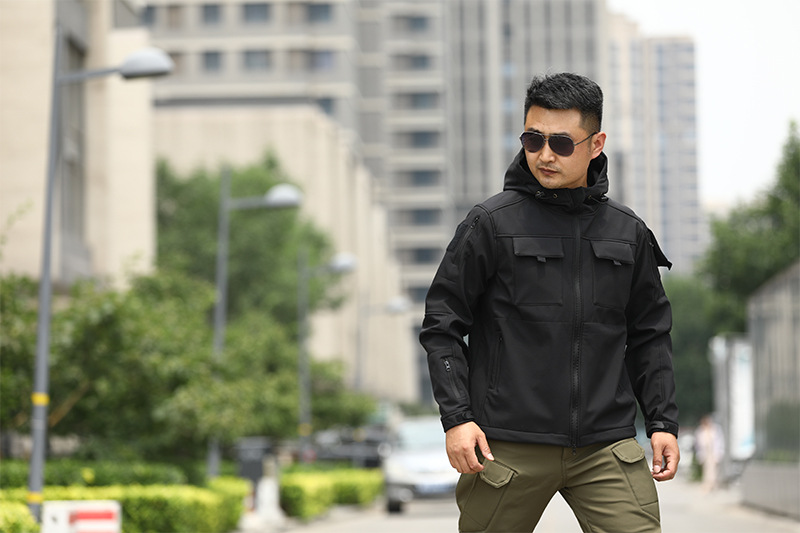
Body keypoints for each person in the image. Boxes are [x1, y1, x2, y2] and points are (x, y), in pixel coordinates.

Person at [420, 72, 680, 533]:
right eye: (532, 139)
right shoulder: (490, 224)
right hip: (506, 447)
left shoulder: (628, 233)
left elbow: (650, 336)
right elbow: (442, 325)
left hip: (605, 446)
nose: (544, 154)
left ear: (596, 144)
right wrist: (457, 419)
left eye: (561, 143)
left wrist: (662, 421)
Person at [694, 414, 724, 492]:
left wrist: (719, 453)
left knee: (714, 470)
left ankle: (713, 484)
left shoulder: (715, 429)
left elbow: (719, 442)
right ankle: (708, 484)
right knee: (706, 470)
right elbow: (698, 444)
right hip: (705, 453)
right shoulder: (700, 431)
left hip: (713, 453)